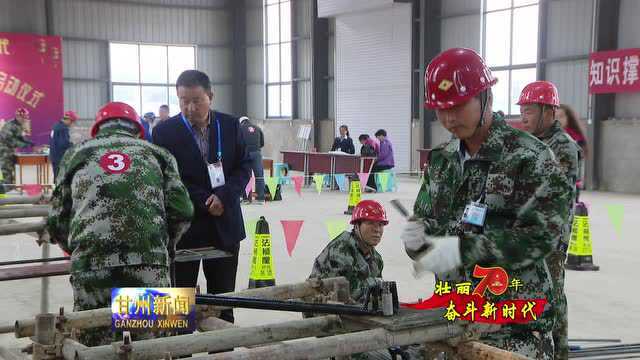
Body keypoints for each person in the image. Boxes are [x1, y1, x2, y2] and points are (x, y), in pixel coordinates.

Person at [402, 48, 572, 359]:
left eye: (458, 105)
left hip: (512, 324)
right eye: (441, 109)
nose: (449, 118)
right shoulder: (442, 160)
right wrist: (417, 239)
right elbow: (426, 219)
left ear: (486, 98)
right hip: (454, 314)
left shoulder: (530, 158)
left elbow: (541, 237)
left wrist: (462, 249)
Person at [47, 101, 194, 346]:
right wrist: (163, 247)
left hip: (92, 267)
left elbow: (56, 220)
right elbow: (183, 211)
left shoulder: (75, 154)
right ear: (137, 129)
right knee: (153, 346)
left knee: (95, 347)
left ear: (98, 128)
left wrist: (78, 250)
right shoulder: (158, 153)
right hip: (150, 264)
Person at [152, 69, 251, 324]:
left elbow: (243, 166)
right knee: (177, 306)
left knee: (223, 301)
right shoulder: (164, 132)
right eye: (183, 100)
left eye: (196, 100)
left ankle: (223, 352)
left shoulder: (229, 126)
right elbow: (169, 177)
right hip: (185, 228)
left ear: (211, 96)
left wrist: (224, 196)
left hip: (224, 224)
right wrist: (205, 200)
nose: (189, 107)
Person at [518, 81, 580, 360]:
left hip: (552, 235)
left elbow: (547, 193)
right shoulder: (533, 143)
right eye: (523, 110)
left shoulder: (563, 147)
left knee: (552, 291)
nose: (524, 117)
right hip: (530, 231)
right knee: (532, 291)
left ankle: (560, 351)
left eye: (529, 110)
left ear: (548, 111)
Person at [309, 199, 387, 304]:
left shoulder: (376, 259)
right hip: (322, 309)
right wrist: (377, 287)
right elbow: (349, 293)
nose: (377, 229)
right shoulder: (340, 250)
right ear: (356, 226)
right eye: (370, 223)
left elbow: (378, 293)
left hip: (353, 309)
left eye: (381, 224)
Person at [0, 108, 34, 190]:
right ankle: (5, 193)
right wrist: (25, 145)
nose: (25, 119)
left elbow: (20, 137)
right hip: (4, 151)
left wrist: (30, 143)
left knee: (10, 171)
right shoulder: (9, 125)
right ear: (18, 116)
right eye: (23, 117)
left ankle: (9, 189)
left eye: (26, 117)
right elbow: (11, 140)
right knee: (6, 172)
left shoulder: (19, 125)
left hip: (10, 151)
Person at [557, 103, 587, 190]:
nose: (558, 120)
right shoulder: (550, 134)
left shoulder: (575, 136)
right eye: (555, 117)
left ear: (568, 118)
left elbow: (580, 159)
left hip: (571, 177)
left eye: (561, 116)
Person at [239, 116, 266, 204]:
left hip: (245, 154)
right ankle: (261, 198)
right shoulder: (257, 128)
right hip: (257, 154)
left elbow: (237, 143)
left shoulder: (240, 128)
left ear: (241, 122)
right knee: (259, 176)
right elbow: (262, 143)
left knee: (246, 176)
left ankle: (246, 199)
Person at [49, 110, 78, 180]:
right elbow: (63, 144)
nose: (71, 124)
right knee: (61, 178)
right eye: (72, 122)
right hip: (60, 157)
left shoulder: (55, 126)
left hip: (53, 156)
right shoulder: (63, 128)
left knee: (57, 176)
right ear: (68, 120)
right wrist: (73, 145)